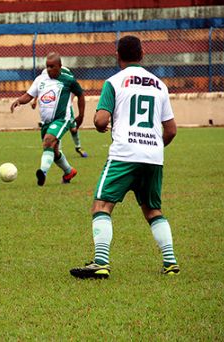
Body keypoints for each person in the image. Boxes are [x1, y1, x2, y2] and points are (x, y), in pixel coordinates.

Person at [70, 35, 179, 279]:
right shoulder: (159, 84)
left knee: (102, 206)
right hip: (153, 156)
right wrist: (153, 147)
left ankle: (100, 262)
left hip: (124, 155)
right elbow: (171, 130)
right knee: (153, 210)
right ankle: (170, 262)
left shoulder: (114, 82)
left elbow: (100, 120)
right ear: (142, 54)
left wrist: (100, 126)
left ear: (118, 55)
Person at [11, 52, 85, 186]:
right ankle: (69, 171)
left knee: (48, 141)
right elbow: (29, 95)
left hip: (62, 119)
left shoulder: (68, 80)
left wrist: (81, 115)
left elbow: (80, 95)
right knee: (54, 151)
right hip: (46, 122)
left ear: (60, 66)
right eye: (47, 66)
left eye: (52, 67)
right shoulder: (40, 79)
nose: (49, 69)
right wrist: (19, 101)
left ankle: (43, 172)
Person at [32, 66, 88, 158]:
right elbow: (40, 87)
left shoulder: (66, 73)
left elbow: (75, 89)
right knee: (56, 127)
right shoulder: (45, 73)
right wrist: (34, 100)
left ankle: (78, 147)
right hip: (53, 108)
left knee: (73, 129)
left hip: (66, 107)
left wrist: (68, 101)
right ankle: (59, 152)